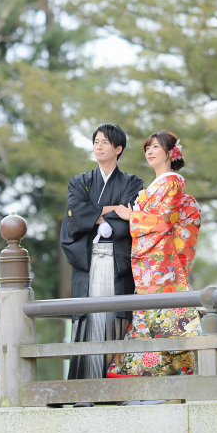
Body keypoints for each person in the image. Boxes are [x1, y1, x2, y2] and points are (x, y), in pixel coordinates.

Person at [108, 130, 202, 377]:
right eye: (147, 148)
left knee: (162, 316)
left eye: (155, 147)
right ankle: (163, 373)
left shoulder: (170, 183)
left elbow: (161, 222)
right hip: (153, 262)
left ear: (170, 153)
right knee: (154, 315)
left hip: (160, 264)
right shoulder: (158, 184)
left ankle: (175, 372)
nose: (149, 151)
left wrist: (133, 216)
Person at [60, 123, 143, 382]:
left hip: (116, 261)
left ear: (118, 149)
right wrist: (110, 209)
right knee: (88, 319)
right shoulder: (80, 182)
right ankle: (85, 389)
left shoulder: (132, 182)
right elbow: (75, 214)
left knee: (114, 319)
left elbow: (130, 215)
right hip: (88, 258)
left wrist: (97, 213)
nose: (98, 146)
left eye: (105, 142)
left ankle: (117, 388)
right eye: (96, 141)